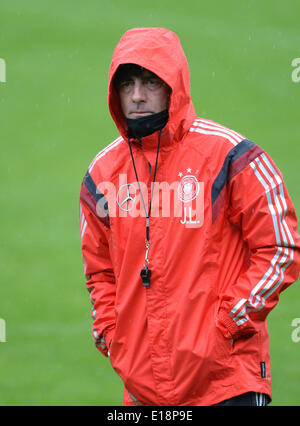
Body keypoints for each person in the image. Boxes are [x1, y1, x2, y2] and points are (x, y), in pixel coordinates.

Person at [79, 27, 300, 406]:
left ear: (174, 84)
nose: (137, 95)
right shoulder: (102, 175)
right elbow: (100, 271)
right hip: (144, 391)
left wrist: (227, 324)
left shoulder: (231, 157)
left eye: (150, 81)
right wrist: (113, 337)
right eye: (127, 83)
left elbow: (281, 248)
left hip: (228, 384)